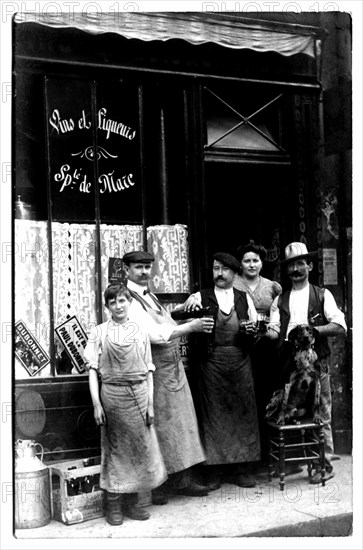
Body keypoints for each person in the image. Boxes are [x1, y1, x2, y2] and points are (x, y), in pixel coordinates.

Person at [122, 250, 215, 502]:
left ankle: (182, 480)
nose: (144, 272)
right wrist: (192, 326)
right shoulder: (129, 300)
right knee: (161, 427)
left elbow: (165, 322)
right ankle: (159, 486)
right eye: (139, 267)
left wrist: (181, 311)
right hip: (155, 370)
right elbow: (155, 335)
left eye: (148, 267)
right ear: (126, 270)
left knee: (181, 425)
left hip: (172, 368)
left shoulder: (149, 296)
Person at [84, 284, 167, 525]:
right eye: (113, 302)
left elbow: (149, 369)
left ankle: (133, 504)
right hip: (113, 396)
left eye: (123, 300)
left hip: (139, 395)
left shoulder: (140, 331)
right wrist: (96, 404)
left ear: (129, 302)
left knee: (139, 450)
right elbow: (92, 371)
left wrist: (150, 404)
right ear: (107, 306)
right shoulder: (99, 332)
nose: (119, 306)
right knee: (116, 451)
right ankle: (114, 506)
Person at [267, 242, 347, 484]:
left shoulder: (322, 294)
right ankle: (292, 463)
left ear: (309, 266)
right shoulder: (280, 299)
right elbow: (274, 330)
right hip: (288, 367)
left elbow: (340, 326)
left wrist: (314, 331)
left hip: (316, 364)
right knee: (289, 412)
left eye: (300, 263)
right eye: (291, 265)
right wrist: (264, 332)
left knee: (321, 412)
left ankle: (324, 463)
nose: (296, 269)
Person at [184, 252, 261, 488]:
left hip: (239, 360)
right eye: (215, 268)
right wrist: (189, 306)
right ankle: (214, 471)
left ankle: (242, 469)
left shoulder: (243, 298)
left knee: (243, 413)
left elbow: (256, 326)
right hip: (211, 362)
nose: (218, 274)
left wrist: (252, 330)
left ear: (235, 274)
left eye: (224, 269)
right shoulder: (200, 296)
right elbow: (186, 321)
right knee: (213, 414)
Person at [233, 240, 282, 463]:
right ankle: (247, 456)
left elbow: (281, 315)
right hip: (241, 346)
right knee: (244, 398)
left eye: (255, 260)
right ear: (240, 264)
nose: (252, 265)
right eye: (247, 261)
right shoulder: (232, 285)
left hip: (267, 347)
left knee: (266, 396)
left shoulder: (273, 287)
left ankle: (268, 454)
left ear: (261, 264)